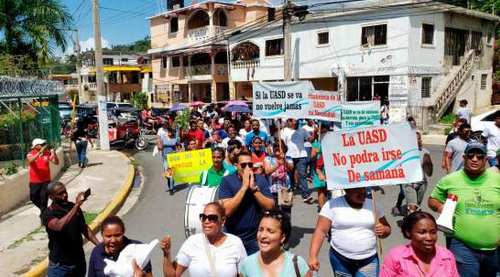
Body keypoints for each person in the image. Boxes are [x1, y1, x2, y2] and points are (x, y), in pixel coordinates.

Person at [428, 141, 500, 277]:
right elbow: (432, 200)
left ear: (486, 160)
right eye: (471, 155)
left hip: (494, 249)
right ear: (464, 158)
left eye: (479, 157)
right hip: (461, 245)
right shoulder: (450, 180)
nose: (474, 159)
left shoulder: (497, 180)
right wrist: (439, 206)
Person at [308, 187, 391, 276]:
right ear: (346, 190)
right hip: (340, 260)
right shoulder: (332, 205)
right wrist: (313, 256)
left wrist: (384, 230)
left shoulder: (374, 205)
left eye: (363, 189)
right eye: (357, 190)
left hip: (369, 261)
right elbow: (320, 231)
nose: (362, 193)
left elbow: (387, 229)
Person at [161, 202, 247, 277]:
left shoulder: (235, 243)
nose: (206, 221)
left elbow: (244, 275)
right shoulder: (192, 242)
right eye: (203, 217)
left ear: (223, 220)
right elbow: (173, 275)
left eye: (212, 218)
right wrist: (166, 253)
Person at [218, 152, 275, 254]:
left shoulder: (260, 179)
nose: (248, 168)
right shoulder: (227, 181)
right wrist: (244, 187)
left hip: (254, 238)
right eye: (243, 165)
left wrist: (254, 191)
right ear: (236, 166)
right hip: (232, 237)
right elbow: (226, 211)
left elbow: (270, 206)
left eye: (250, 165)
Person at [42, 181, 100, 277]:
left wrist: (99, 245)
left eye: (65, 191)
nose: (64, 195)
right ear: (51, 197)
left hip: (78, 262)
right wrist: (77, 206)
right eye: (60, 194)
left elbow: (84, 228)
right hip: (60, 266)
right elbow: (58, 226)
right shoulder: (48, 213)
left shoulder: (73, 207)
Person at [381, 212, 459, 277]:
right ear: (408, 232)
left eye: (433, 232)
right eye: (422, 232)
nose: (429, 238)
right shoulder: (396, 257)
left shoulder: (447, 257)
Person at [239, 209, 311, 277]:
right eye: (260, 230)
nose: (263, 235)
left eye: (270, 231)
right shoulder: (247, 265)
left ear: (282, 237)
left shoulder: (298, 264)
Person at [88, 216, 152, 277]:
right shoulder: (96, 253)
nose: (113, 240)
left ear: (123, 232)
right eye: (108, 236)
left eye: (117, 235)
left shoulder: (138, 249)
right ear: (102, 235)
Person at [281, 118, 314, 204]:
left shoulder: (303, 130)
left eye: (296, 121)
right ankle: (291, 188)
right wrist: (282, 153)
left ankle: (305, 195)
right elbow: (282, 143)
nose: (294, 122)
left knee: (302, 174)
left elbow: (310, 140)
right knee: (290, 173)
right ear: (288, 121)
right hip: (289, 155)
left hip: (301, 155)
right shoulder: (284, 131)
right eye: (292, 120)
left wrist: (314, 133)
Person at [403, 131, 433, 215]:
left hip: (422, 183)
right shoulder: (405, 153)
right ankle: (410, 226)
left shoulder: (425, 152)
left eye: (419, 138)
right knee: (412, 208)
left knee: (417, 206)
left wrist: (428, 164)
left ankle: (412, 221)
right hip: (409, 183)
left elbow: (429, 173)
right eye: (415, 139)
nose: (418, 140)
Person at [27, 138, 59, 212]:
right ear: (36, 146)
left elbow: (56, 162)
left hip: (46, 181)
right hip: (34, 181)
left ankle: (44, 217)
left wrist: (54, 153)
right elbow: (30, 160)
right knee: (33, 198)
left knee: (44, 200)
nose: (44, 146)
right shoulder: (30, 154)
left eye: (43, 144)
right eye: (41, 145)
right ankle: (45, 211)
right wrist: (39, 153)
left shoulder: (47, 153)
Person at [157, 127, 178, 193]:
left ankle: (171, 189)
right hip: (165, 158)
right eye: (169, 132)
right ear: (168, 132)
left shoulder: (175, 139)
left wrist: (177, 151)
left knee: (170, 174)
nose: (170, 133)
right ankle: (170, 183)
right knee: (167, 174)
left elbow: (178, 147)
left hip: (172, 159)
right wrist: (159, 146)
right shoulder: (163, 138)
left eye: (172, 132)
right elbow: (160, 147)